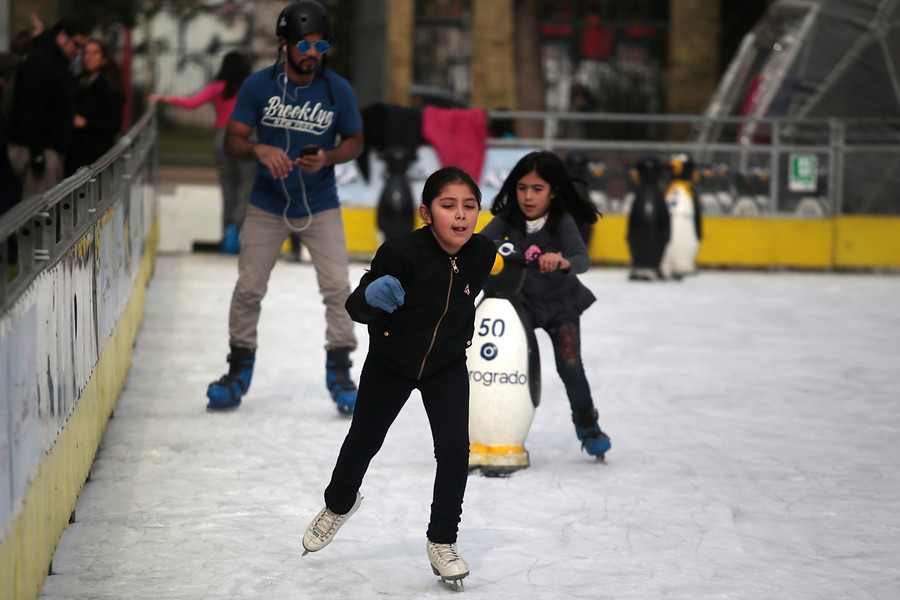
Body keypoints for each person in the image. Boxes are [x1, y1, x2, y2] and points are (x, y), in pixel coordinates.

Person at [300, 167, 497, 589]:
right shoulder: (401, 253)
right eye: (449, 206)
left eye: (470, 206)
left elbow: (495, 274)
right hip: (392, 361)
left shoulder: (481, 254)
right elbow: (357, 305)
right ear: (426, 212)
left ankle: (442, 540)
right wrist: (370, 297)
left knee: (454, 451)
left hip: (445, 364)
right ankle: (338, 505)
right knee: (364, 440)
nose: (460, 215)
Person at [205, 0, 363, 415]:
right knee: (249, 288)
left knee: (338, 289)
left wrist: (328, 157)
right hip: (267, 204)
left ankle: (341, 370)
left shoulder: (337, 89)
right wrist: (259, 148)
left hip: (321, 203)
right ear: (284, 43)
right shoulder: (258, 87)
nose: (313, 53)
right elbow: (232, 141)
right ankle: (238, 369)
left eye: (321, 45)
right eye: (305, 45)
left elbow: (355, 141)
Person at [477, 150, 612, 458]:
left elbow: (582, 260)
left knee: (570, 367)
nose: (528, 196)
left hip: (559, 306)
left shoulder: (561, 221)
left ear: (553, 192)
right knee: (506, 362)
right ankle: (493, 422)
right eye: (522, 188)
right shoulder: (506, 220)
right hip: (519, 305)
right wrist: (492, 251)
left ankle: (588, 427)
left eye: (537, 189)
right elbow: (479, 246)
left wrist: (562, 261)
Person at [148, 51, 254, 254]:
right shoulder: (249, 89)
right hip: (245, 139)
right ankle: (235, 227)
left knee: (227, 189)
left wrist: (164, 97)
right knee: (246, 188)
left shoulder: (217, 88)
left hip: (221, 140)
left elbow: (192, 103)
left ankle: (226, 235)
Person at [5, 17, 88, 201]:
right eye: (76, 45)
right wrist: (37, 155)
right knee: (39, 215)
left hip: (48, 149)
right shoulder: (42, 62)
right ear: (62, 36)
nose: (79, 52)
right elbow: (31, 110)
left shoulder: (55, 61)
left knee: (45, 213)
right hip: (39, 150)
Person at [65, 38, 125, 176]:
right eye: (86, 53)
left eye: (94, 53)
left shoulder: (110, 86)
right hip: (74, 150)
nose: (89, 57)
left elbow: (114, 123)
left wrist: (86, 123)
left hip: (95, 154)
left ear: (104, 58)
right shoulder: (78, 81)